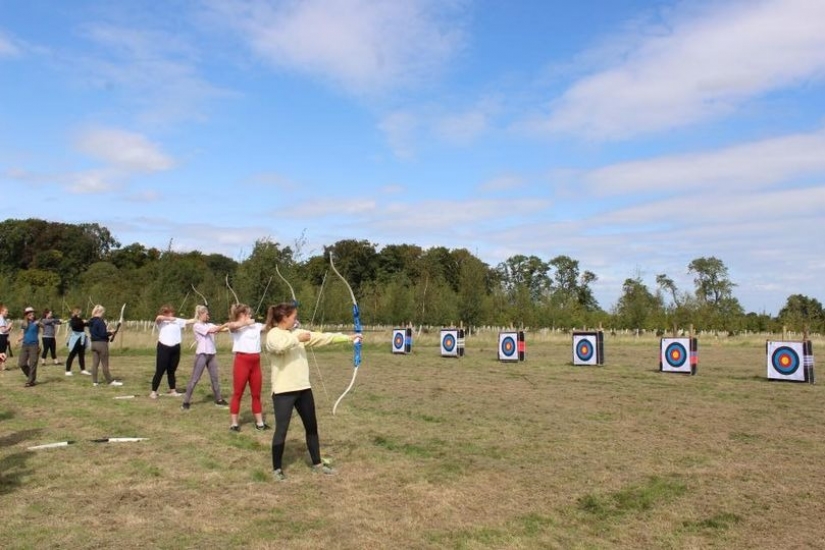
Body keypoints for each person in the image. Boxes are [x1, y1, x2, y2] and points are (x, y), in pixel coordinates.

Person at [264, 302, 361, 480]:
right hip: (283, 391)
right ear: (284, 318)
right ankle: (277, 469)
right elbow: (278, 346)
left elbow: (322, 337)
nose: (296, 319)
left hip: (304, 389)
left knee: (312, 427)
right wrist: (297, 338)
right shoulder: (273, 334)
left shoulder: (296, 334)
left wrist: (348, 338)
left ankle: (317, 464)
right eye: (293, 316)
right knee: (282, 430)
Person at [225, 303, 268, 432]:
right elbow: (232, 326)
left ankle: (260, 423)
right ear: (241, 315)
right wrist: (246, 323)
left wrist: (289, 324)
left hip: (255, 363)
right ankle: (234, 423)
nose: (250, 315)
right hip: (241, 362)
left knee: (256, 394)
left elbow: (269, 326)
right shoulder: (235, 326)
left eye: (250, 314)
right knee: (238, 393)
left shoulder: (256, 326)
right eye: (247, 313)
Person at [181, 305, 229, 410]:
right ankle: (186, 402)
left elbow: (222, 329)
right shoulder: (197, 326)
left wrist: (233, 325)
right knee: (195, 379)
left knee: (215, 378)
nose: (208, 316)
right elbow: (212, 331)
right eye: (206, 314)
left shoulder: (210, 324)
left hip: (211, 355)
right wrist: (225, 324)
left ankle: (219, 399)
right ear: (201, 314)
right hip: (202, 355)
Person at [150, 305, 194, 399]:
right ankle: (153, 391)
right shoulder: (161, 322)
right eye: (168, 312)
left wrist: (198, 316)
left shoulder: (177, 321)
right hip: (163, 347)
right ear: (164, 313)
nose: (171, 313)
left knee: (172, 370)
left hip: (175, 347)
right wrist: (170, 318)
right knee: (160, 370)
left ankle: (172, 390)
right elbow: (158, 317)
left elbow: (190, 321)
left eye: (171, 312)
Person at [88, 304, 123, 387]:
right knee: (105, 364)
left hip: (93, 344)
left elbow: (97, 332)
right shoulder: (100, 321)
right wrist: (111, 332)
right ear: (99, 312)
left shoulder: (91, 321)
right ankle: (109, 381)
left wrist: (109, 331)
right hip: (101, 344)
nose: (103, 314)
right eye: (102, 312)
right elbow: (103, 334)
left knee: (95, 364)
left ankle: (95, 382)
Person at [18, 306, 41, 387]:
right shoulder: (24, 323)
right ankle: (32, 377)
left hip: (34, 345)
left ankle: (30, 381)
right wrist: (19, 338)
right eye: (29, 313)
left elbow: (44, 326)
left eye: (32, 313)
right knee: (22, 363)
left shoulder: (37, 322)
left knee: (33, 363)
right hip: (25, 345)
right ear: (27, 315)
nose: (32, 315)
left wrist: (39, 323)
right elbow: (22, 333)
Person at [65, 307, 91, 376]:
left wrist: (88, 321)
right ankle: (67, 370)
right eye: (79, 312)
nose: (80, 313)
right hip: (75, 338)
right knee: (72, 354)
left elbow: (88, 324)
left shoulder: (80, 319)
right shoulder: (73, 319)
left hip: (82, 338)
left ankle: (83, 369)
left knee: (81, 354)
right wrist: (82, 322)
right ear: (77, 312)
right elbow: (74, 325)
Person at [0, 303, 9, 370]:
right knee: (3, 354)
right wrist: (9, 326)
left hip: (4, 337)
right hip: (1, 337)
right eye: (6, 311)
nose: (7, 313)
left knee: (2, 352)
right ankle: (3, 366)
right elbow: (3, 330)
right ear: (1, 311)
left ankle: (3, 367)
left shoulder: (3, 319)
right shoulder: (1, 319)